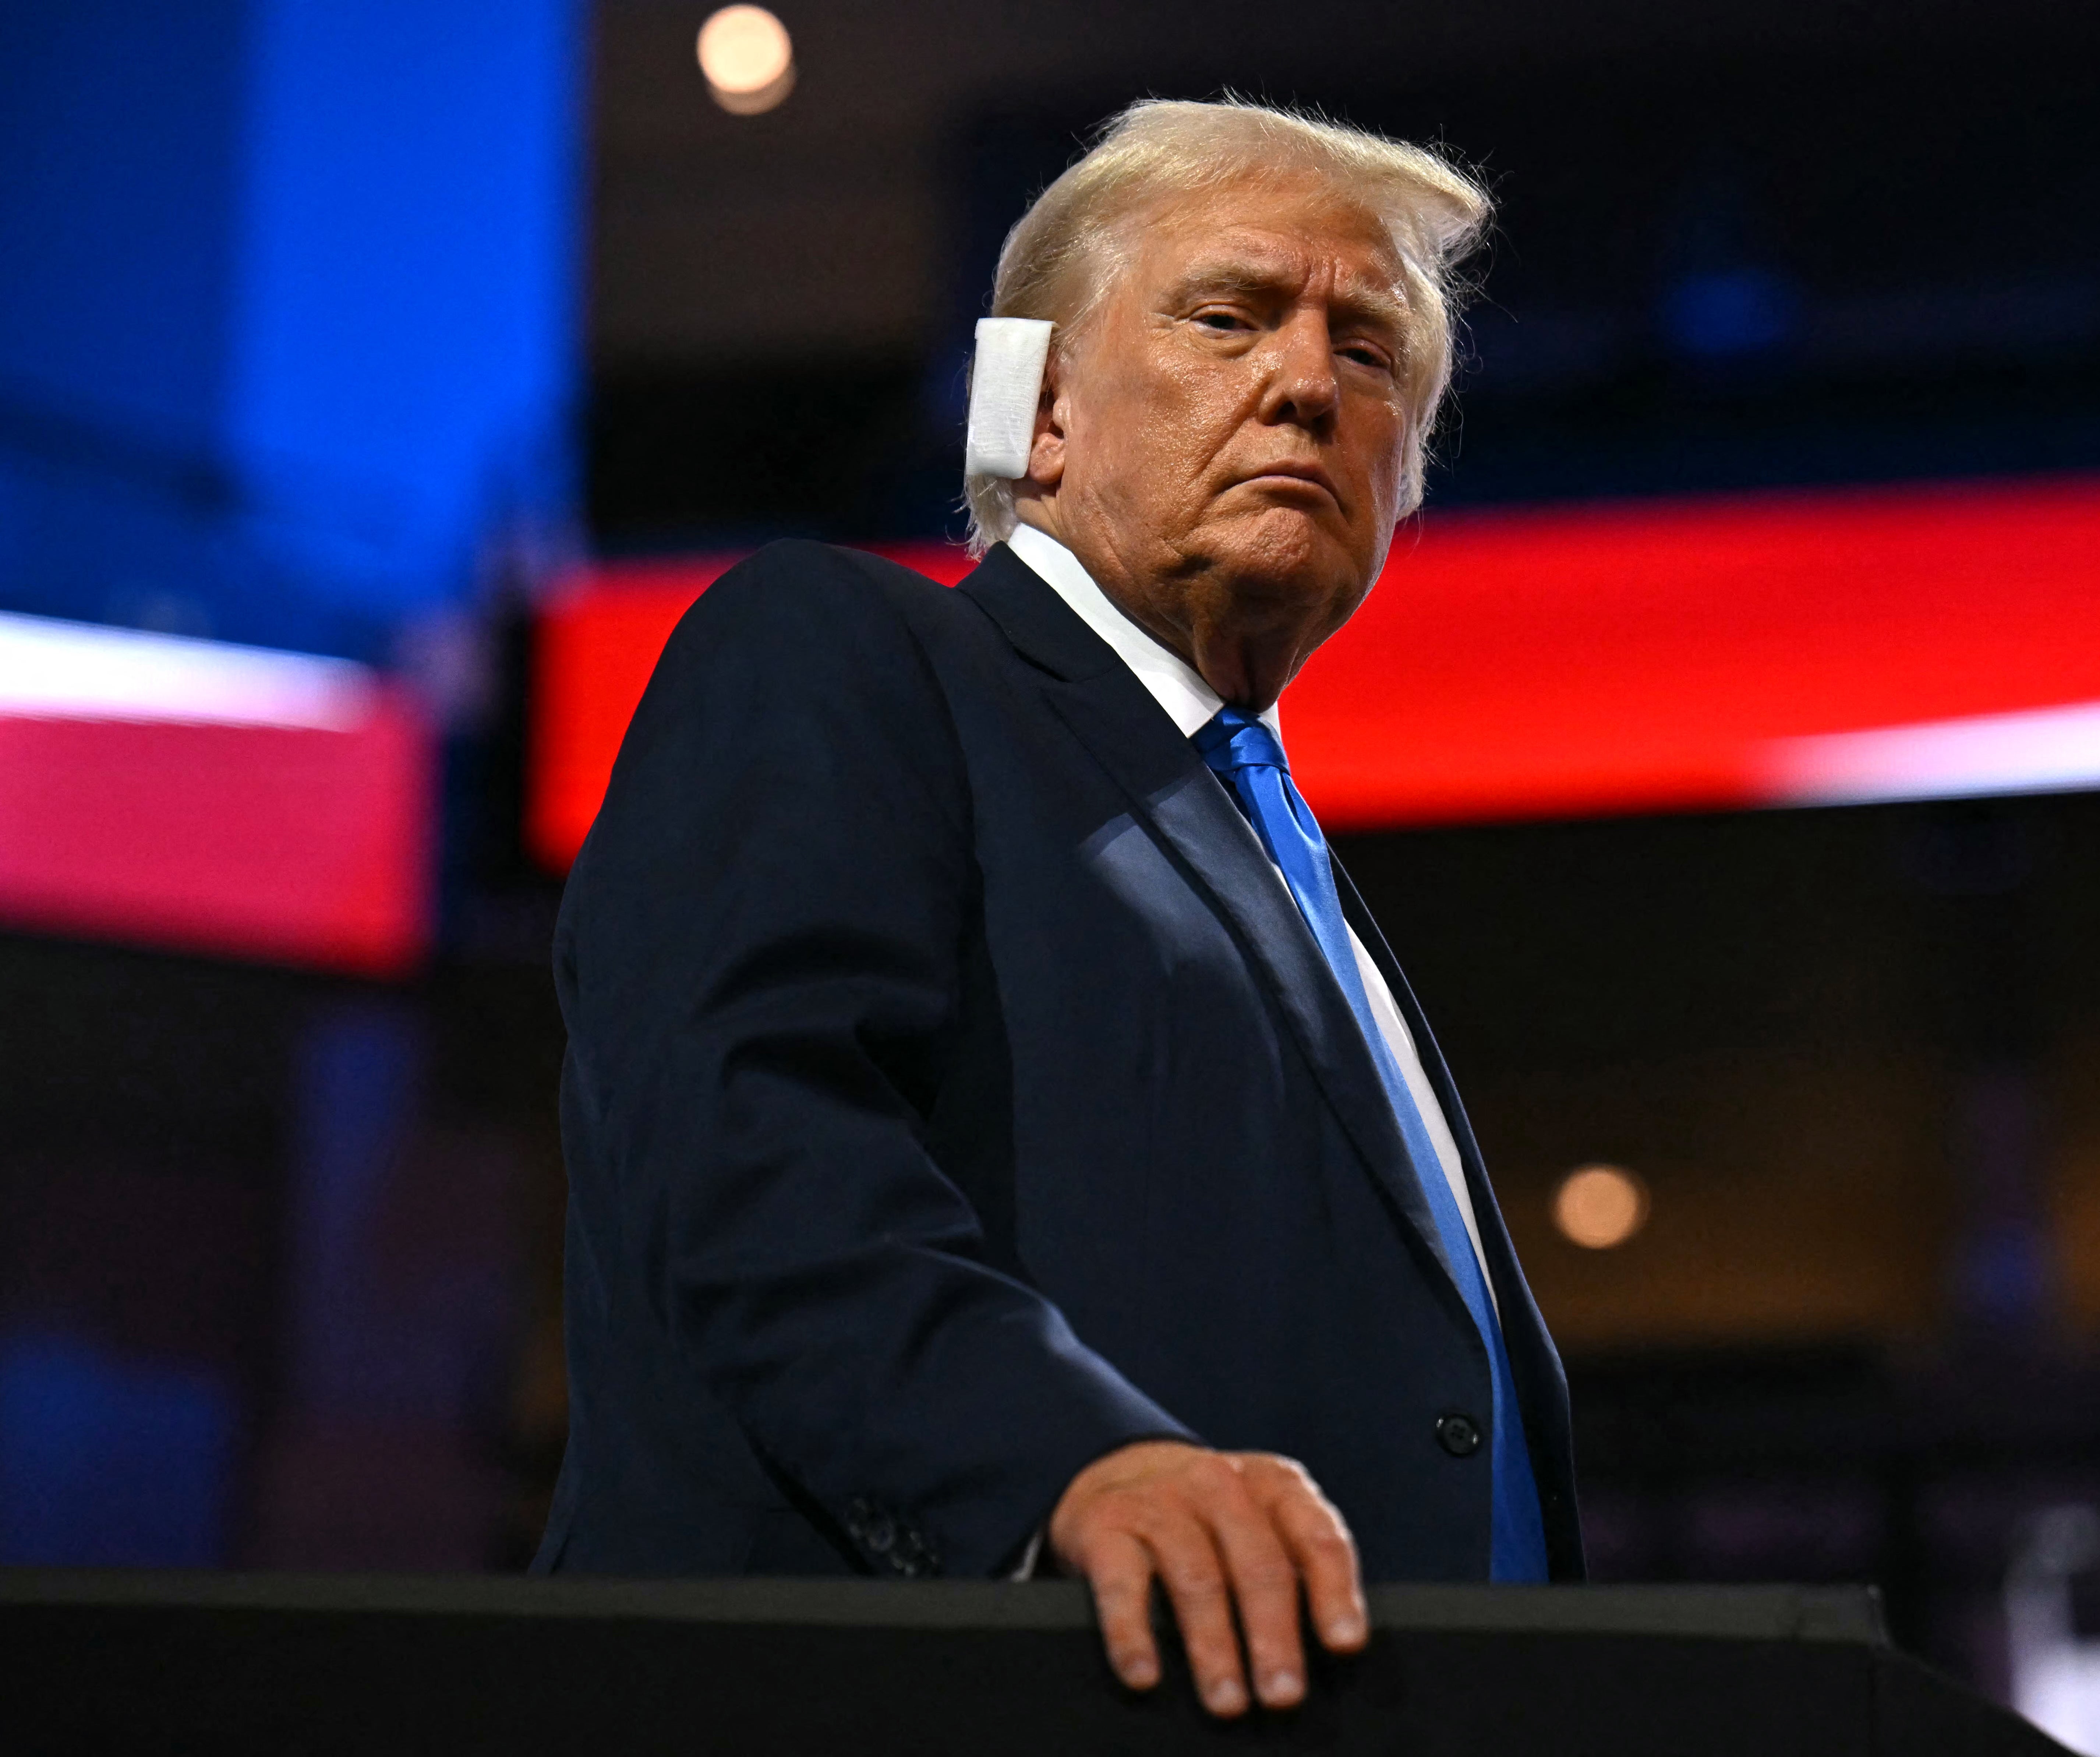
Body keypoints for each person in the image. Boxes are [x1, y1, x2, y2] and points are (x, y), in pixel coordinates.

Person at [533, 98, 1582, 1720]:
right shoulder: (840, 654)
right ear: (1036, 418)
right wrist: (1061, 1468)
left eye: (1369, 355)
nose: (1307, 382)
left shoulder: (1297, 874)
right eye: (1226, 317)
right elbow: (750, 1150)